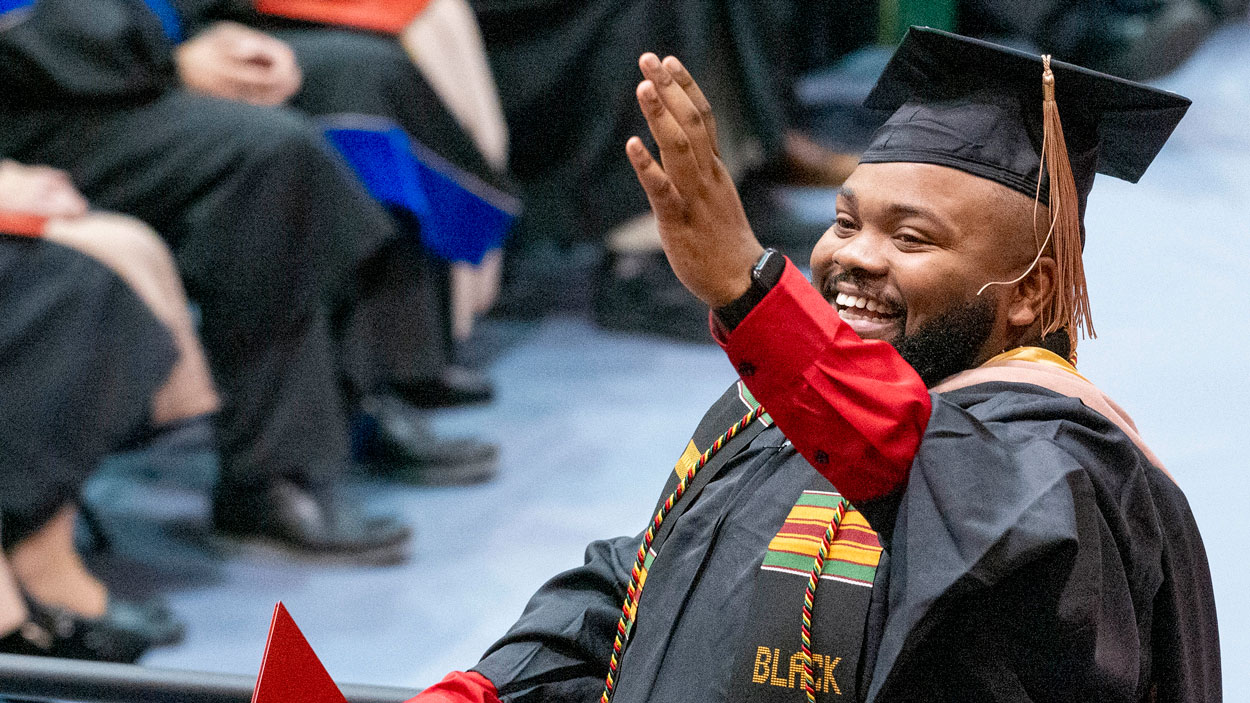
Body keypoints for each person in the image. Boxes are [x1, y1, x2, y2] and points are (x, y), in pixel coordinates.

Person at [409, 28, 1220, 702]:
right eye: (845, 220)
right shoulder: (778, 403)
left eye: (911, 239)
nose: (853, 258)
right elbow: (653, 572)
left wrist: (750, 293)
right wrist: (488, 686)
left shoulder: (1064, 474)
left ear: (1029, 291)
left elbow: (921, 463)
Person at [0, 0, 498, 560]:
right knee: (267, 155)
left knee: (360, 72)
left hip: (122, 64)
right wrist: (170, 61)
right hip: (40, 108)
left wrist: (213, 33)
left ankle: (371, 385)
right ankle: (267, 478)